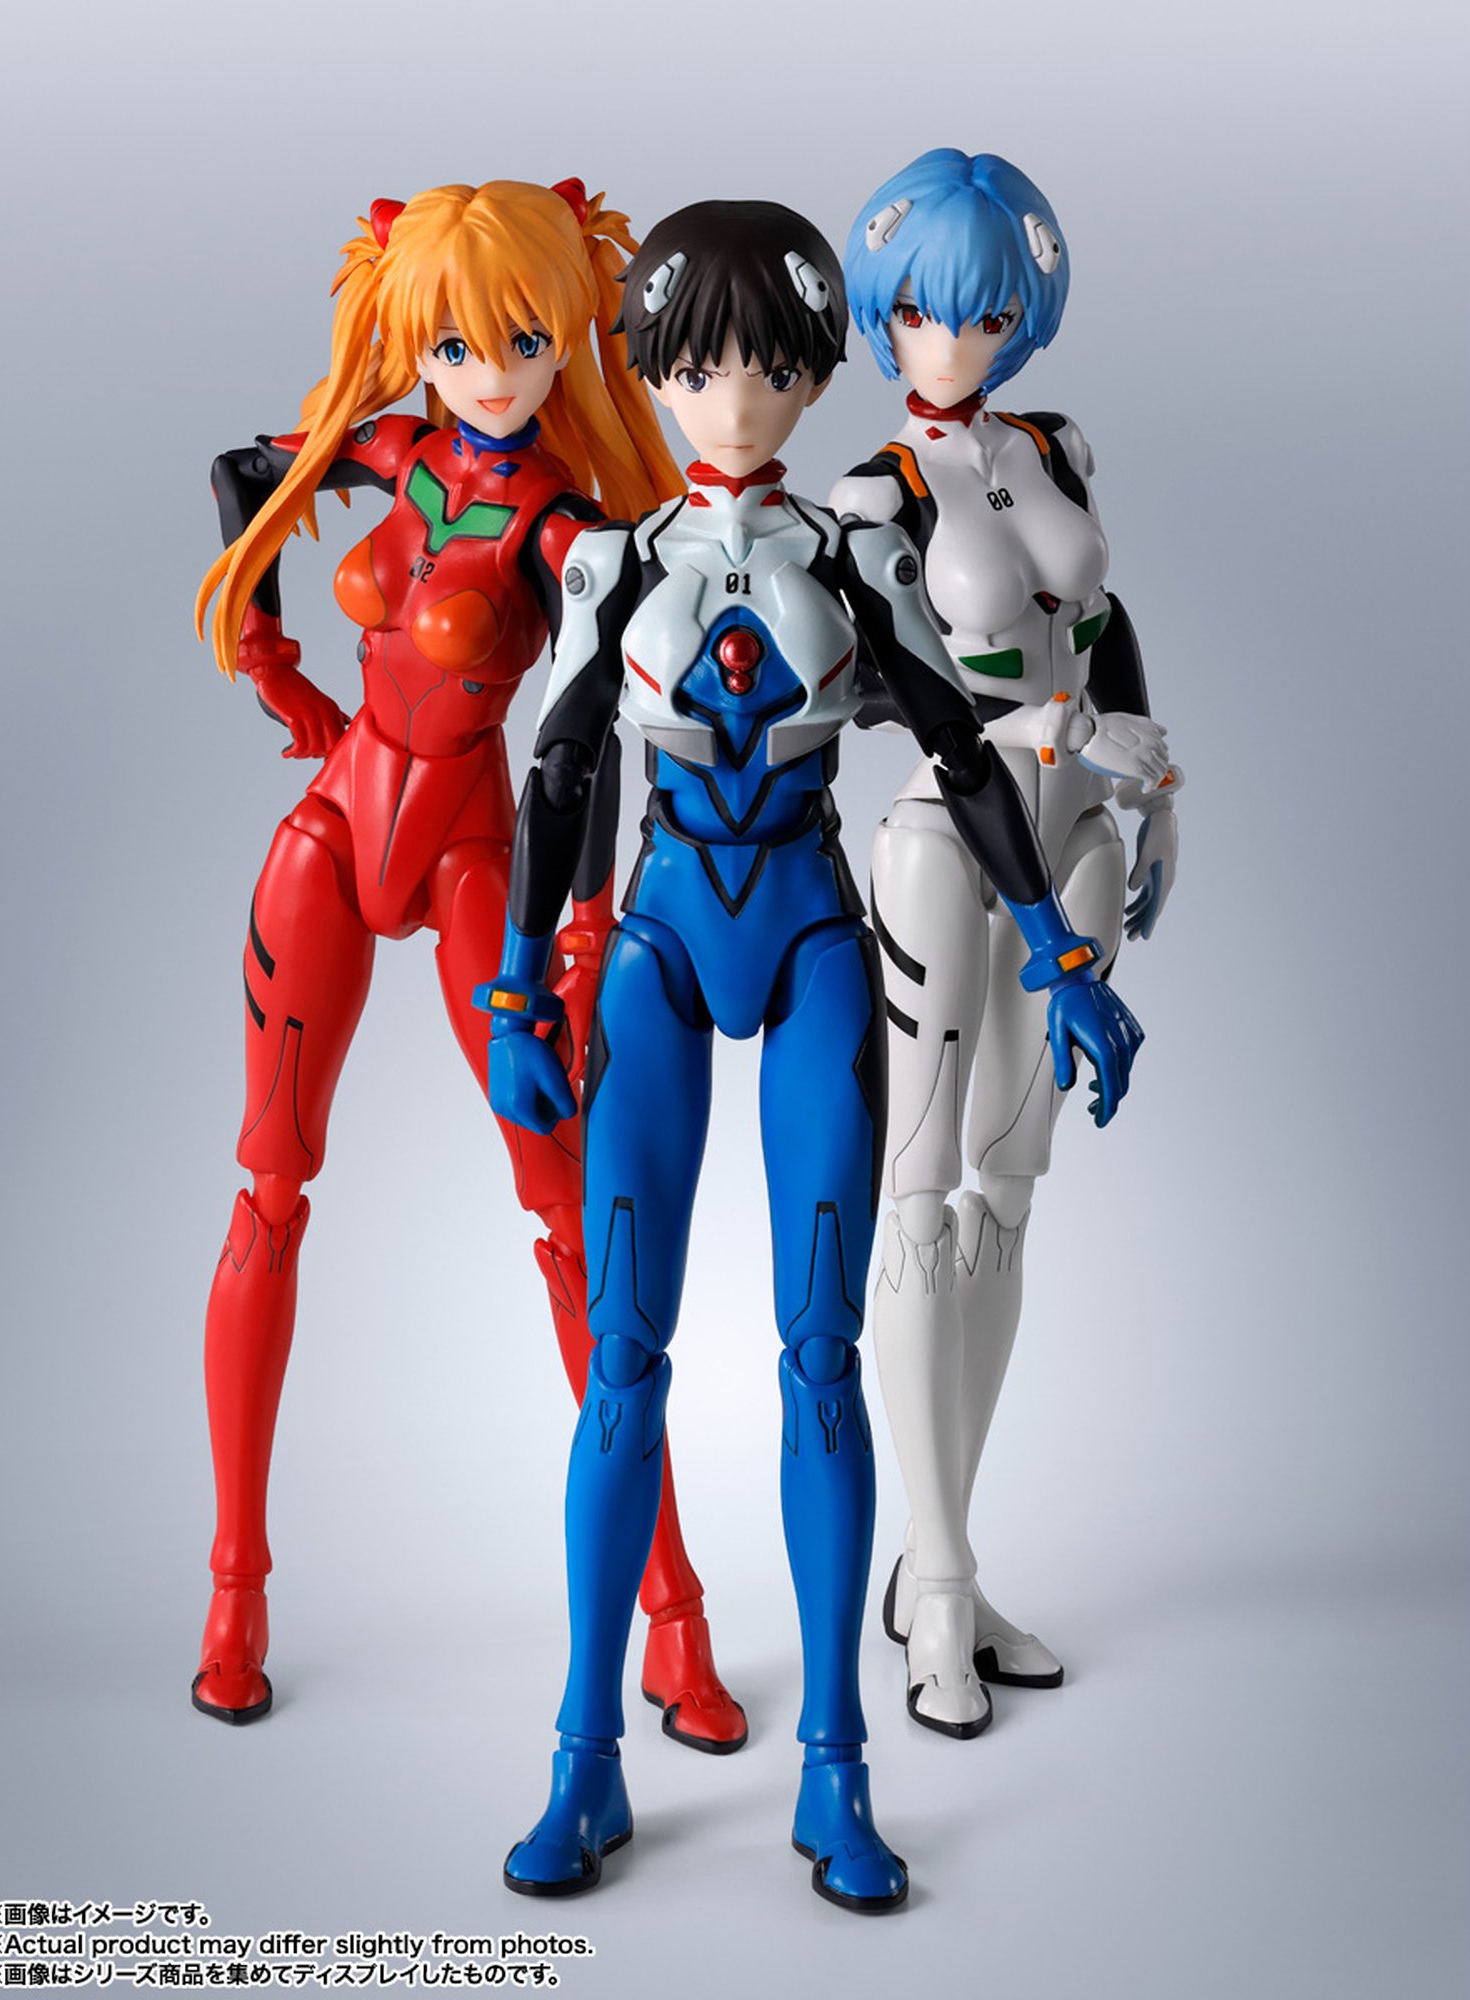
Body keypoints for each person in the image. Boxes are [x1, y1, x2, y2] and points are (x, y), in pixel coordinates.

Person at [477, 199, 1141, 1909]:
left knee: (820, 1357)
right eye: (699, 369)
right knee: (625, 1364)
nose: (734, 401)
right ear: (653, 368)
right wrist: (515, 989)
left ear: (812, 369)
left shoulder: (857, 557)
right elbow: (557, 774)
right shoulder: (610, 564)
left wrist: (1062, 953)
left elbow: (963, 757)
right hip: (656, 951)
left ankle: (834, 1767)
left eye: (768, 368)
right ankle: (585, 1756)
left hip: (815, 942)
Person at [189, 180, 742, 1752]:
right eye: (454, 344)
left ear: (569, 333)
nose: (489, 372)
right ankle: (233, 1592)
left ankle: (675, 1615)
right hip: (332, 824)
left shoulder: (570, 530)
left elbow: (594, 738)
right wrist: (273, 664)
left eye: (520, 339)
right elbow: (248, 471)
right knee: (269, 1192)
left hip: (475, 859)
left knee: (567, 1217)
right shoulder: (395, 454)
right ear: (411, 339)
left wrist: (579, 933)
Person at [832, 148, 1183, 1736]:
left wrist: (1154, 787)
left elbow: (1103, 629)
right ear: (883, 311)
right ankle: (940, 1584)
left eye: (981, 312)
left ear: (1022, 310)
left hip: (1085, 830)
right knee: (917, 1202)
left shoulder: (1054, 446)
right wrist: (1074, 740)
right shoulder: (871, 498)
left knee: (1009, 1195)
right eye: (920, 311)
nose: (950, 340)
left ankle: (947, 1566)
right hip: (947, 845)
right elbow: (921, 709)